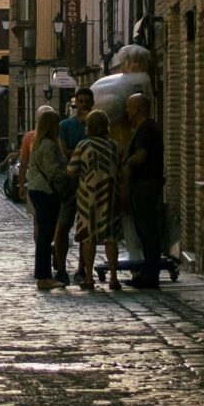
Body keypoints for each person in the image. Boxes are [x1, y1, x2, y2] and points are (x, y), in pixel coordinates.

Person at [69, 107, 122, 286]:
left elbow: (71, 170)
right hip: (110, 195)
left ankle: (89, 277)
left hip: (88, 197)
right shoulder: (115, 146)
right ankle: (114, 277)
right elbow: (121, 170)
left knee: (88, 236)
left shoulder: (84, 146)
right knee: (111, 237)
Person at [123, 90, 168, 287]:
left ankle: (150, 275)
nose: (127, 110)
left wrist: (127, 165)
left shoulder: (147, 129)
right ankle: (148, 272)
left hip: (145, 184)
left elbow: (140, 156)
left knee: (148, 229)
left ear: (139, 109)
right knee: (145, 229)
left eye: (129, 107)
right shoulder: (145, 128)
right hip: (145, 184)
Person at [24, 106, 70, 286]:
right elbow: (53, 172)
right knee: (46, 235)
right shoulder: (49, 145)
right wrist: (69, 174)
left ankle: (43, 275)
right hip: (46, 191)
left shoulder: (37, 142)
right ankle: (44, 277)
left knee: (44, 234)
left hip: (36, 189)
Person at [55, 94, 86, 280]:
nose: (84, 106)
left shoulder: (96, 124)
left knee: (85, 230)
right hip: (69, 184)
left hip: (89, 185)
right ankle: (61, 269)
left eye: (87, 102)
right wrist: (87, 150)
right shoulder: (65, 125)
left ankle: (82, 268)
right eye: (81, 102)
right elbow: (63, 150)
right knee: (63, 226)